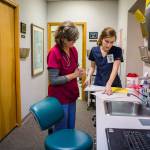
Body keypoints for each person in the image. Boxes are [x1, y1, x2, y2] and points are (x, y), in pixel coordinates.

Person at [47, 21, 85, 131]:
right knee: (61, 128)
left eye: (75, 39)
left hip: (71, 94)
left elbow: (74, 68)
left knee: (71, 126)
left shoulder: (73, 50)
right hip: (59, 97)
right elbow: (53, 80)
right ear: (62, 38)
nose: (73, 41)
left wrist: (79, 71)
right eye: (71, 39)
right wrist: (74, 75)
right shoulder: (54, 53)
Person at [85, 27, 123, 95]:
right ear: (101, 39)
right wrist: (88, 76)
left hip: (113, 84)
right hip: (99, 84)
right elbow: (92, 67)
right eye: (106, 41)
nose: (109, 45)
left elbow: (115, 69)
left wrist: (109, 84)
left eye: (111, 42)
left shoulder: (117, 50)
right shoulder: (94, 50)